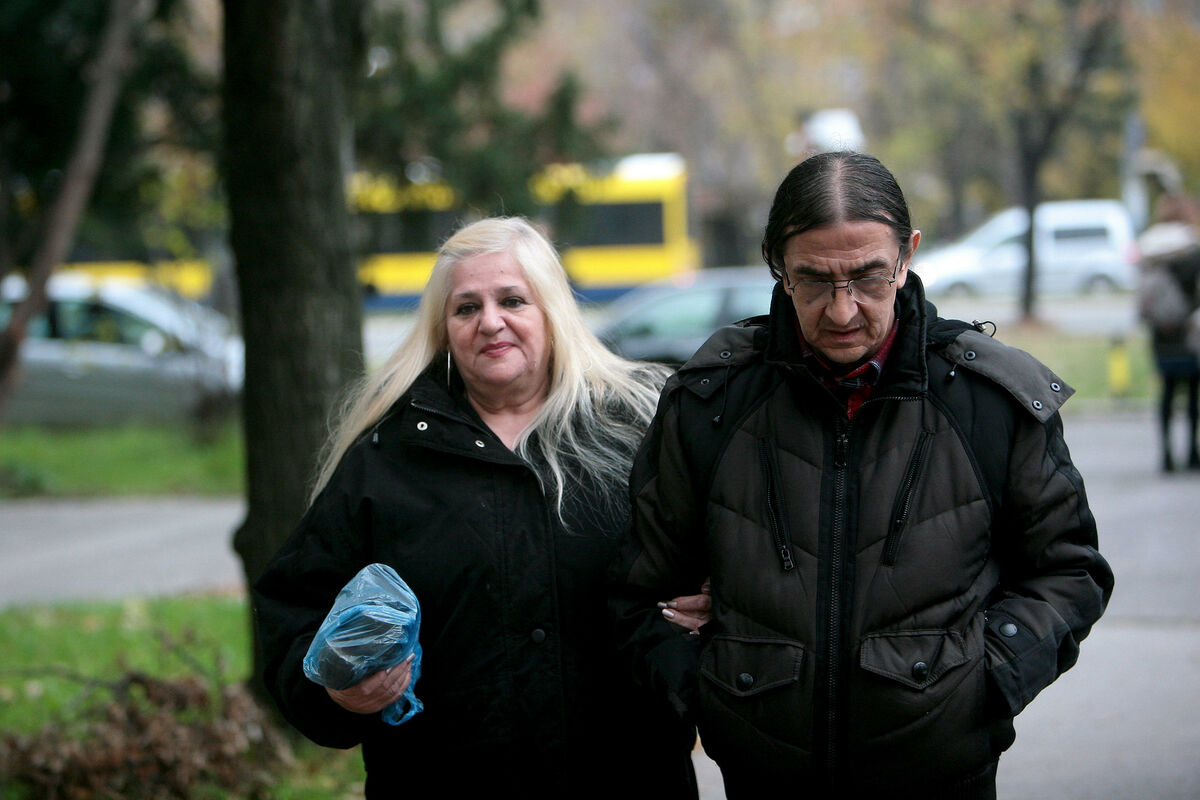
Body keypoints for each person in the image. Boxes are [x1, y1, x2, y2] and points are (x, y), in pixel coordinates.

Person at [610, 152, 1114, 798]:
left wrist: (984, 682)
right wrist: (706, 693)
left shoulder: (989, 401)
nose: (842, 311)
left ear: (907, 257)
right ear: (776, 264)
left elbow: (1070, 571)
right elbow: (638, 592)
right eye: (813, 280)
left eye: (869, 277)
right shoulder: (712, 403)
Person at [253, 216, 698, 798]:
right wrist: (335, 688)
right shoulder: (386, 459)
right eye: (466, 308)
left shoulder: (637, 433)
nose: (490, 321)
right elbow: (293, 613)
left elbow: (738, 557)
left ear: (553, 313)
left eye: (512, 300)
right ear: (443, 330)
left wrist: (713, 602)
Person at [1136, 191, 1200, 472]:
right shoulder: (1191, 245)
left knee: (1168, 390)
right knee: (1193, 391)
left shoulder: (1150, 245)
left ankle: (1166, 454)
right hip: (1188, 328)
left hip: (1161, 331)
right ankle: (1192, 452)